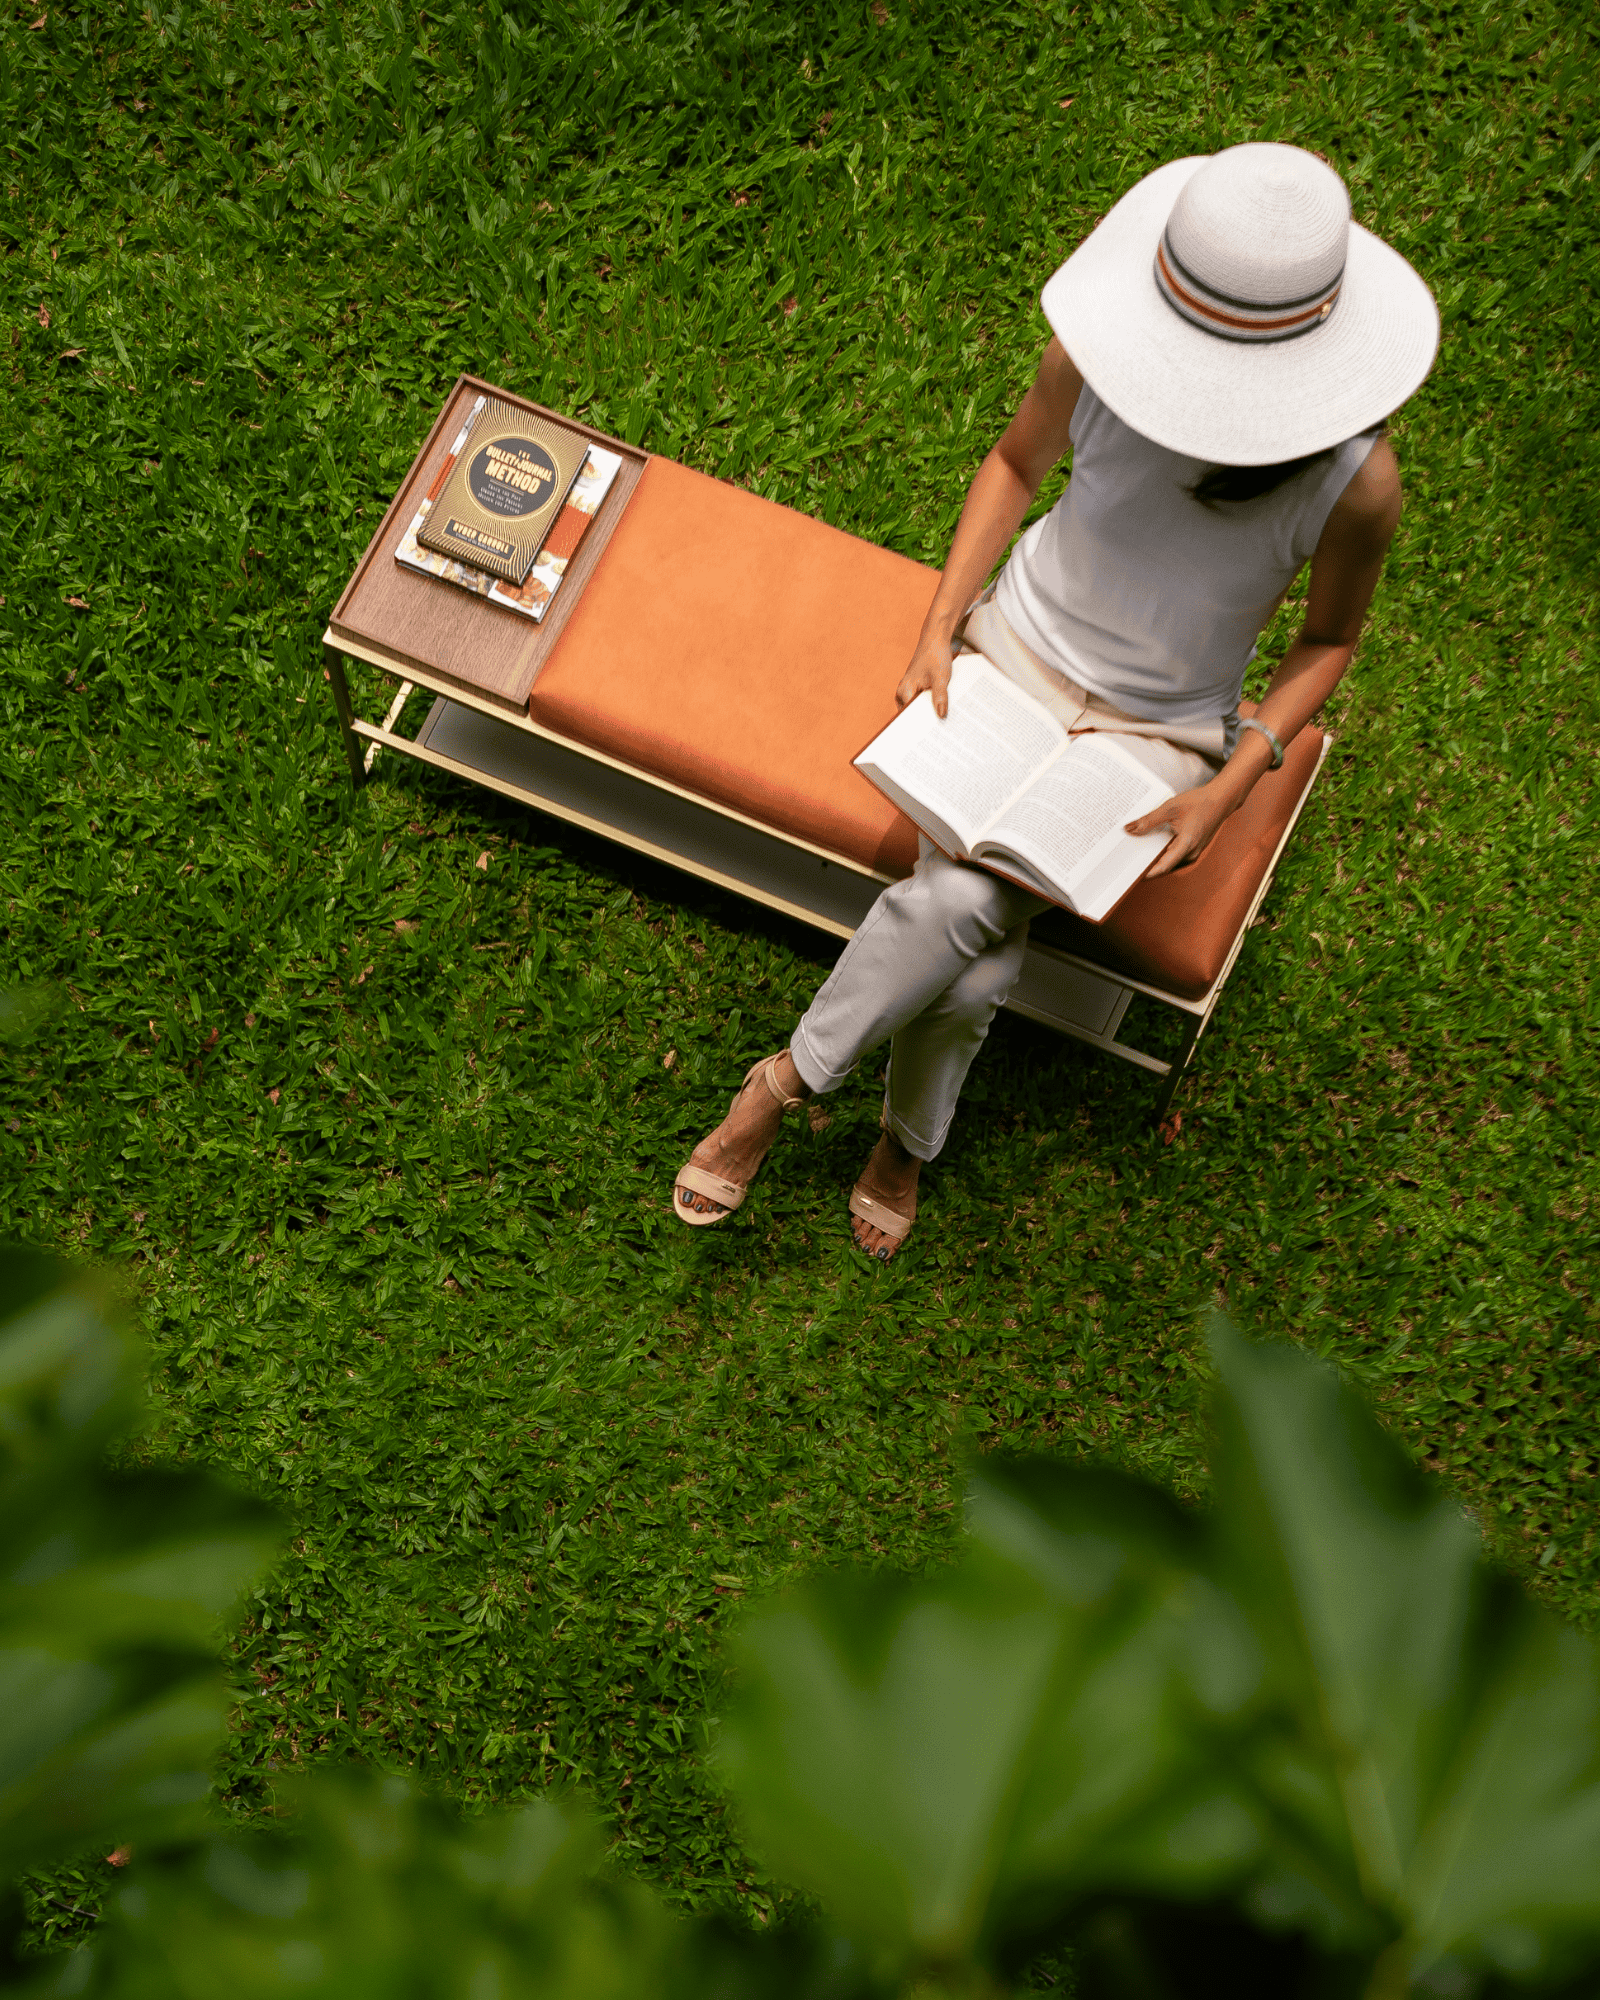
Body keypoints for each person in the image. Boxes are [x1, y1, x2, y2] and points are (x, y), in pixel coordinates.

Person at [672, 142, 1439, 1258]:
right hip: (1012, 654)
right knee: (972, 944)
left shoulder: (1354, 483)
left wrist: (1230, 783)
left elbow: (1327, 641)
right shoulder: (1093, 359)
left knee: (954, 906)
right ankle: (900, 1141)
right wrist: (941, 625)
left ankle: (782, 1085)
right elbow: (1011, 464)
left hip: (1161, 735)